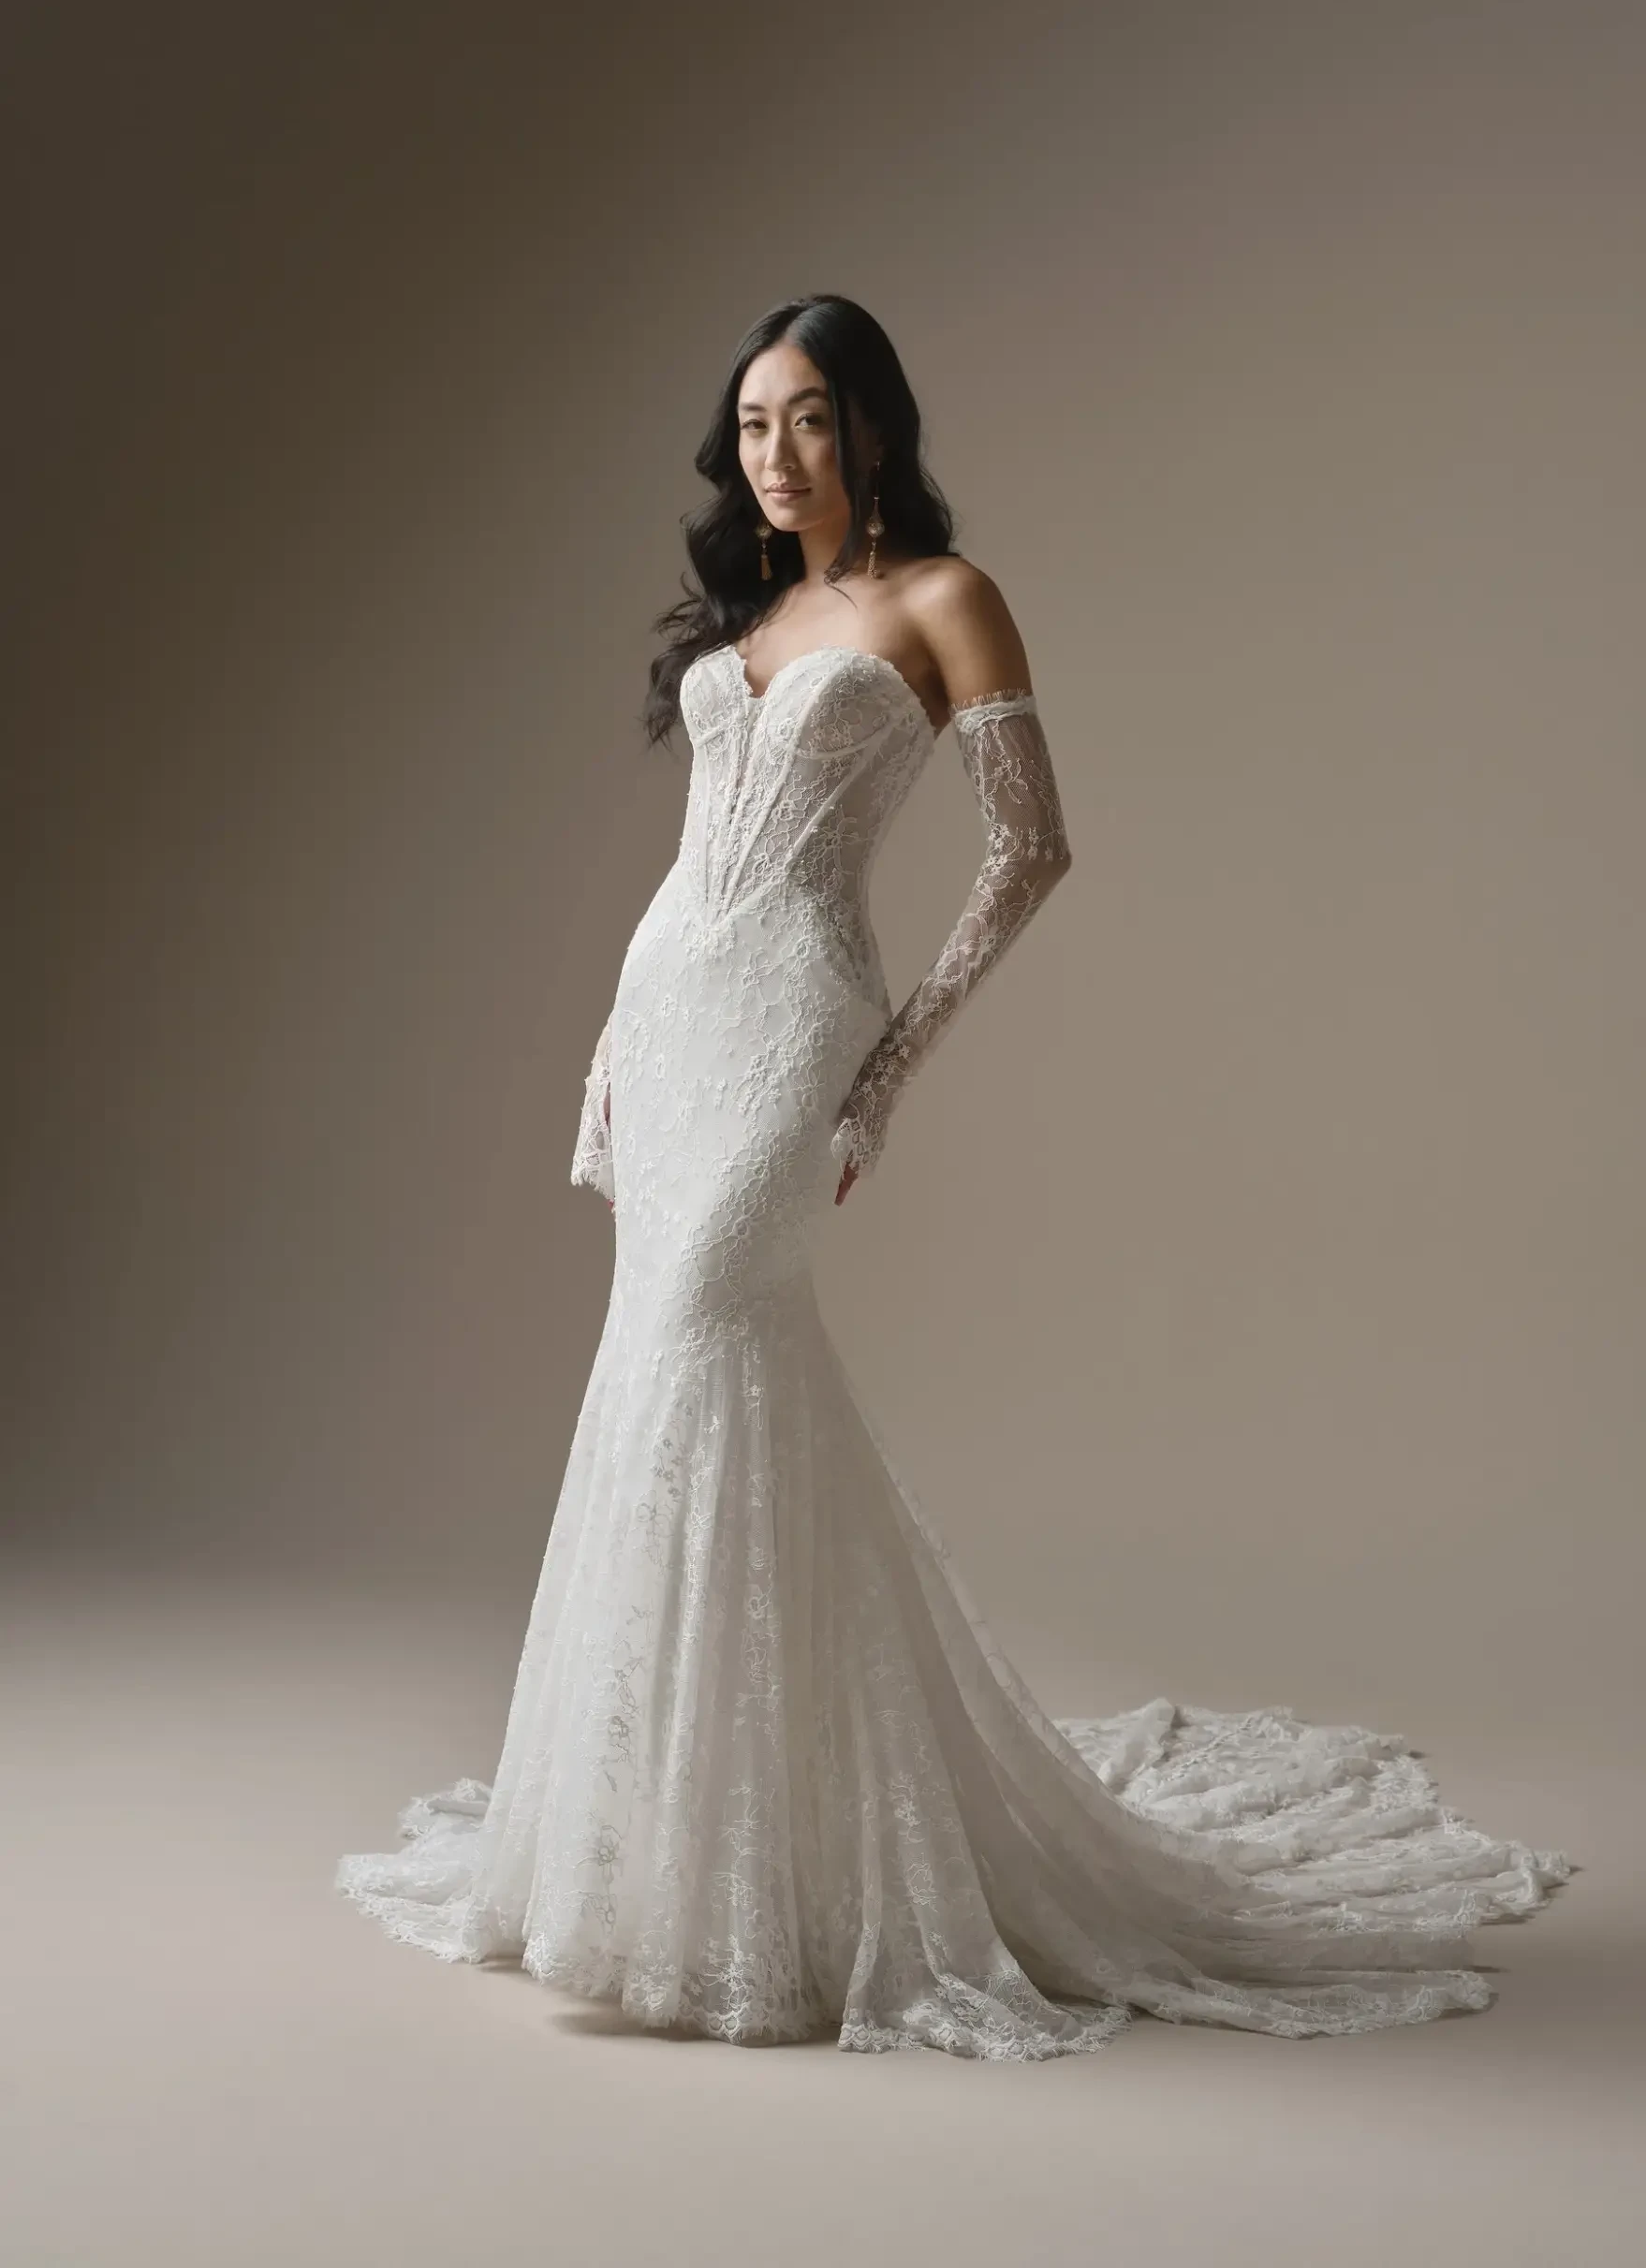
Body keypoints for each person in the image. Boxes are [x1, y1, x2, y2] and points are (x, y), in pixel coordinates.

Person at [335, 294, 1573, 2059]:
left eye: (811, 421)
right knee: (666, 1383)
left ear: (874, 430)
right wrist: (612, 1042)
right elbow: (698, 862)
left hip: (793, 1024)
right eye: (754, 426)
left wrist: (894, 1057)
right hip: (670, 1010)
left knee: (704, 1346)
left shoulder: (942, 601)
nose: (777, 456)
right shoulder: (755, 612)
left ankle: (750, 1891)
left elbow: (1033, 844)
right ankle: (665, 1863)